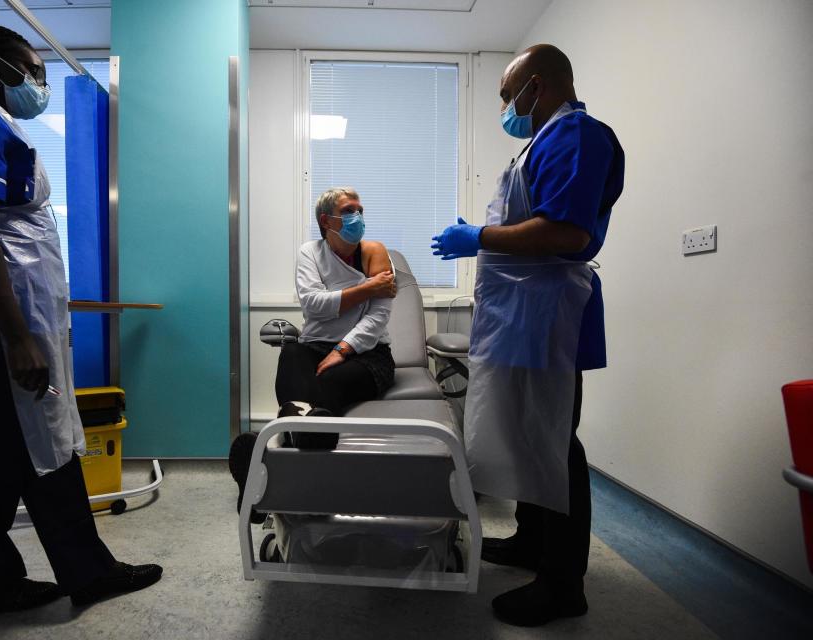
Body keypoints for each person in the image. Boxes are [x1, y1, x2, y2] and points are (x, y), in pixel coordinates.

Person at [0, 25, 161, 617]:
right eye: (32, 69)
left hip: (1, 315)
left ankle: (1, 584)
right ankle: (77, 575)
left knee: (5, 450)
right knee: (33, 441)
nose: (39, 83)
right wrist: (18, 337)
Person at [431, 44, 625, 626]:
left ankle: (563, 583)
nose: (504, 107)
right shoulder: (538, 145)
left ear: (535, 86)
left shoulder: (580, 136)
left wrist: (482, 239)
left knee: (555, 442)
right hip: (522, 315)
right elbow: (533, 220)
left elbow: (566, 232)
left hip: (550, 319)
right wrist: (485, 234)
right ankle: (530, 540)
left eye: (505, 94)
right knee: (526, 435)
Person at [228, 187, 397, 517]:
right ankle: (307, 444)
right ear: (326, 220)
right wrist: (367, 287)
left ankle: (271, 464)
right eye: (350, 210)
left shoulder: (374, 251)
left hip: (368, 353)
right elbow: (314, 305)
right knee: (290, 355)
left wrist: (344, 348)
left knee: (329, 381)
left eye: (360, 209)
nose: (358, 217)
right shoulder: (311, 252)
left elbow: (379, 316)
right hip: (314, 345)